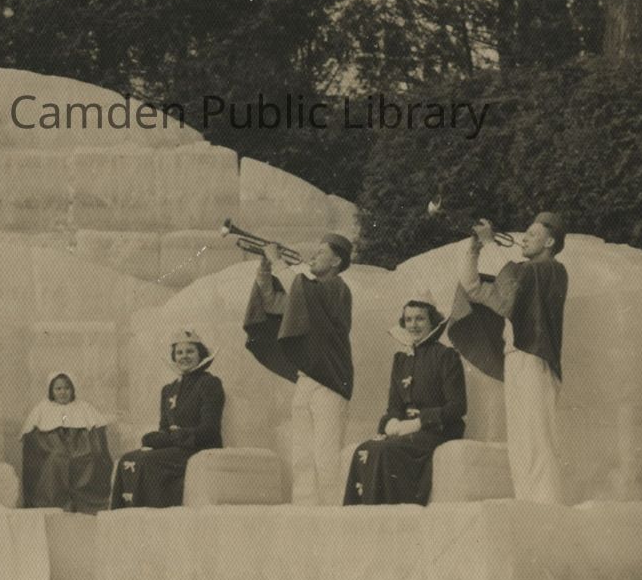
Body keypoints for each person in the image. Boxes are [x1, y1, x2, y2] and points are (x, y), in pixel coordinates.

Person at [451, 212, 573, 503]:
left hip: (535, 358)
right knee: (519, 439)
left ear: (550, 242)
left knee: (537, 436)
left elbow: (511, 282)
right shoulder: (522, 278)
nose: (525, 239)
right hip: (516, 358)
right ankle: (528, 502)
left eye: (532, 234)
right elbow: (473, 288)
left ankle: (547, 504)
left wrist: (490, 243)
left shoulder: (552, 271)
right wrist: (474, 250)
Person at [243, 233, 355, 506]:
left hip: (330, 381)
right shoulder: (309, 292)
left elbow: (299, 291)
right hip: (307, 379)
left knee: (326, 456)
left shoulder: (337, 288)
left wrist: (277, 261)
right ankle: (304, 510)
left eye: (321, 252)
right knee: (302, 456)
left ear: (336, 261)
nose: (313, 256)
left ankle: (330, 514)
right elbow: (272, 303)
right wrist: (265, 269)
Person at [344, 299, 468, 507]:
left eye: (420, 319)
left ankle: (391, 517)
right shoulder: (401, 360)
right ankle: (362, 519)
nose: (413, 325)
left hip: (437, 430)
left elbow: (457, 406)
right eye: (408, 319)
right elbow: (394, 406)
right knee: (365, 449)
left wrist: (420, 422)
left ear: (432, 321)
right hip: (406, 431)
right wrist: (392, 422)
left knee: (385, 451)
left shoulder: (446, 356)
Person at [112, 331, 224, 509]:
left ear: (201, 354)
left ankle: (152, 516)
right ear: (174, 357)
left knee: (148, 461)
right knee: (128, 459)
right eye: (179, 352)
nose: (184, 356)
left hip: (198, 448)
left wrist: (176, 437)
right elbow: (164, 428)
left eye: (190, 351)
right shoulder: (169, 390)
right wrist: (157, 437)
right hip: (176, 448)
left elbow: (210, 429)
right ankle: (125, 519)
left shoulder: (209, 383)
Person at [19, 371, 114, 513]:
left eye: (67, 388)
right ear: (51, 391)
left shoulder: (84, 407)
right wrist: (56, 446)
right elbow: (34, 440)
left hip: (81, 445)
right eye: (58, 389)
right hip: (51, 447)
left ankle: (83, 501)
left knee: (91, 458)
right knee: (57, 458)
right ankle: (57, 503)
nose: (62, 392)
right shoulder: (41, 409)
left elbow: (96, 438)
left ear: (73, 389)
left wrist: (80, 446)